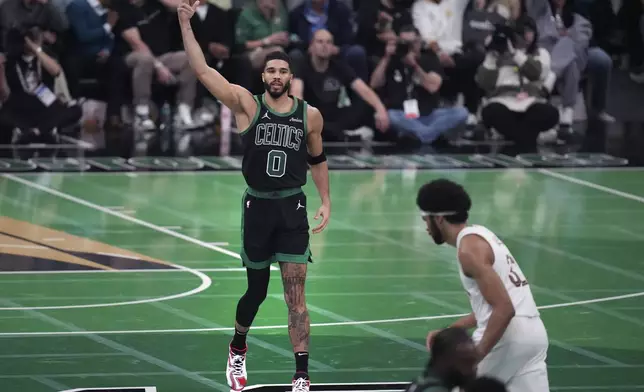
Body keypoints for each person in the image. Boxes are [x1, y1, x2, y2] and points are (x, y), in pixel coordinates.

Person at [178, 1, 330, 392]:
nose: (276, 76)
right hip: (259, 206)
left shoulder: (309, 115)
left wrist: (326, 200)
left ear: (291, 76)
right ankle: (238, 346)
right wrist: (185, 23)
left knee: (296, 293)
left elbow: (318, 158)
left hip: (293, 205)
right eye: (271, 70)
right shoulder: (248, 106)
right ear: (263, 74)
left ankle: (301, 374)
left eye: (283, 71)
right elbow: (201, 70)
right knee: (257, 291)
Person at [417, 179, 549, 392]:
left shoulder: (468, 250)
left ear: (439, 219)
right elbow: (494, 306)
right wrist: (450, 330)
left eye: (426, 219)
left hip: (506, 337)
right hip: (533, 334)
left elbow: (504, 309)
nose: (426, 227)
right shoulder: (483, 235)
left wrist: (475, 355)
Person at [405, 327, 478, 392]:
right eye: (467, 363)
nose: (474, 370)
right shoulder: (435, 389)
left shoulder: (420, 382)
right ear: (449, 360)